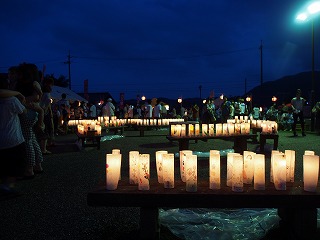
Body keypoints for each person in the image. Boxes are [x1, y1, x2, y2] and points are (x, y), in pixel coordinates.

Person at [0, 76, 26, 197]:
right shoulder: (12, 100)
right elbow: (23, 111)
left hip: (2, 139)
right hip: (13, 138)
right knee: (14, 164)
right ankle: (7, 187)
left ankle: (4, 186)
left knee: (4, 163)